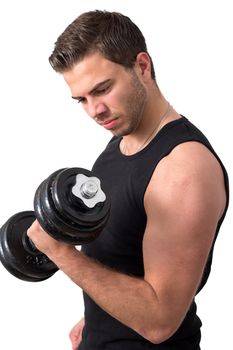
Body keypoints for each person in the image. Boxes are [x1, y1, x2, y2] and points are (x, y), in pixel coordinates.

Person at [27, 10, 229, 350]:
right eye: (82, 100)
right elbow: (126, 255)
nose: (94, 110)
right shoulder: (122, 141)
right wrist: (98, 315)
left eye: (102, 89)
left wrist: (60, 252)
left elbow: (160, 320)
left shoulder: (184, 168)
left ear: (142, 67)